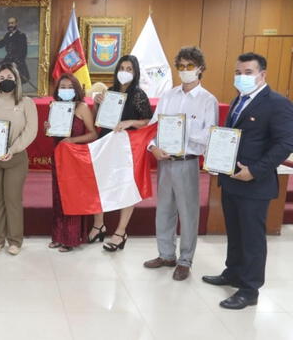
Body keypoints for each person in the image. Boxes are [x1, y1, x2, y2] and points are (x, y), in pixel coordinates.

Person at [202, 53, 293, 309]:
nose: (242, 77)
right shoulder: (238, 100)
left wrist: (255, 170)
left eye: (249, 72)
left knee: (252, 238)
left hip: (255, 183)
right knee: (236, 231)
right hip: (231, 179)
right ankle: (232, 272)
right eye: (239, 72)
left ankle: (249, 289)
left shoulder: (277, 103)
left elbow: (285, 143)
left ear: (262, 74)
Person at [144, 47, 219, 281]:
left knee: (187, 213)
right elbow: (153, 126)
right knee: (164, 210)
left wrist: (183, 131)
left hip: (187, 162)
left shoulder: (208, 100)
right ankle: (166, 254)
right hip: (165, 161)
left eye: (190, 66)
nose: (185, 71)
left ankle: (185, 259)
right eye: (181, 66)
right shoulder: (168, 95)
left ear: (200, 69)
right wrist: (153, 147)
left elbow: (210, 136)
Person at [91, 55, 153, 252]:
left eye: (129, 69)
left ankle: (120, 232)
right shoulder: (109, 92)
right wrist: (97, 104)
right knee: (99, 184)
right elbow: (98, 121)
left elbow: (148, 122)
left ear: (135, 73)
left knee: (125, 186)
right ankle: (98, 225)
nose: (124, 72)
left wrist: (130, 123)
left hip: (127, 148)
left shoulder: (138, 95)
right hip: (106, 143)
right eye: (122, 68)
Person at [0, 63, 38, 255]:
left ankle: (15, 240)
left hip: (15, 158)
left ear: (17, 80)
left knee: (12, 199)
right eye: (1, 78)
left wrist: (13, 149)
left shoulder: (26, 103)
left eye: (9, 78)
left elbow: (31, 131)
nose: (6, 81)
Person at [45, 74, 97, 252]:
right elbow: (56, 134)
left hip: (75, 159)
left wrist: (73, 141)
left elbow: (93, 134)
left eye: (69, 87)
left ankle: (71, 238)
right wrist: (49, 128)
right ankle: (58, 236)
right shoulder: (56, 107)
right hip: (59, 157)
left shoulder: (82, 107)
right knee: (58, 197)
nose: (66, 90)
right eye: (62, 87)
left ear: (76, 89)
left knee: (71, 198)